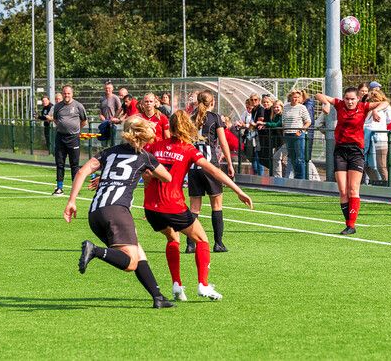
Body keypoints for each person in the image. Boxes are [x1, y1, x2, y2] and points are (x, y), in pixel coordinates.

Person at [63, 117, 176, 309]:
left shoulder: (108, 153)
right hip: (117, 212)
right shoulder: (145, 157)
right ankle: (94, 250)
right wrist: (146, 172)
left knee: (138, 251)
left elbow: (82, 172)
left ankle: (158, 297)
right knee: (130, 262)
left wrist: (72, 201)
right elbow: (167, 177)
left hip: (96, 213)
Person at [143, 111, 253, 302]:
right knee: (202, 240)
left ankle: (177, 285)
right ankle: (203, 285)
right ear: (188, 127)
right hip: (172, 205)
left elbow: (137, 166)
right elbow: (214, 171)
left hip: (151, 208)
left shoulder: (155, 146)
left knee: (172, 238)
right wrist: (238, 190)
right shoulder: (188, 149)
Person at [316, 88, 387, 235]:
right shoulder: (339, 104)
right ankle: (348, 223)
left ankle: (351, 225)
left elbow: (385, 102)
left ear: (357, 99)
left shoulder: (363, 107)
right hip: (340, 151)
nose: (350, 102)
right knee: (343, 191)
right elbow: (319, 94)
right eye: (347, 99)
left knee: (353, 189)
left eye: (352, 99)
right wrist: (326, 103)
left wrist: (375, 111)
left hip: (356, 152)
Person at [187, 90, 235, 254]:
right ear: (212, 102)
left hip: (193, 166)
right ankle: (218, 243)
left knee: (194, 208)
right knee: (216, 205)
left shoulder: (190, 117)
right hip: (210, 166)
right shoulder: (215, 118)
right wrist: (229, 163)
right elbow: (223, 143)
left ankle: (190, 244)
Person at [47, 85, 87, 195]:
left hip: (73, 138)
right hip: (60, 137)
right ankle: (59, 188)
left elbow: (84, 121)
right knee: (60, 163)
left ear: (72, 94)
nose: (66, 95)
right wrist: (62, 126)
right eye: (65, 93)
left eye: (68, 93)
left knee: (74, 164)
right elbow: (55, 119)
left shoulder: (78, 106)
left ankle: (75, 188)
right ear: (62, 93)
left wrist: (75, 130)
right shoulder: (58, 106)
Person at [363, 90, 391, 183]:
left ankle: (386, 185)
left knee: (381, 165)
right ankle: (377, 182)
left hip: (380, 141)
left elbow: (376, 125)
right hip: (369, 141)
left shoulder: (381, 110)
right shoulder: (368, 111)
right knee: (367, 165)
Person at [282, 90, 311, 179]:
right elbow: (283, 120)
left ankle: (301, 178)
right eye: (294, 97)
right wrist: (284, 130)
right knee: (292, 157)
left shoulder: (302, 107)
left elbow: (308, 121)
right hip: (288, 134)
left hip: (298, 135)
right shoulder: (286, 107)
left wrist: (301, 131)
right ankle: (296, 176)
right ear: (290, 97)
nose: (295, 99)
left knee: (300, 157)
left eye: (298, 97)